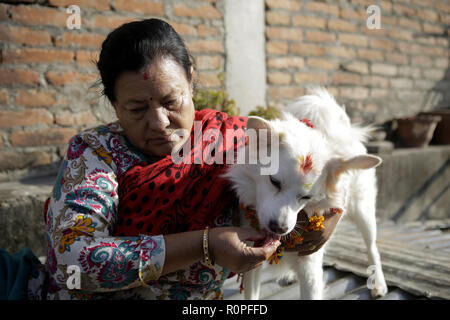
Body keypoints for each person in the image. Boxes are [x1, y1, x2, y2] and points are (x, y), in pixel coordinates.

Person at [23, 18, 341, 300]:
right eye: (137, 109)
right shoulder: (94, 155)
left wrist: (321, 217)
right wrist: (207, 244)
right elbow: (72, 262)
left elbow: (311, 158)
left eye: (171, 100)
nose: (160, 122)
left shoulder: (233, 140)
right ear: (115, 105)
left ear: (190, 79)